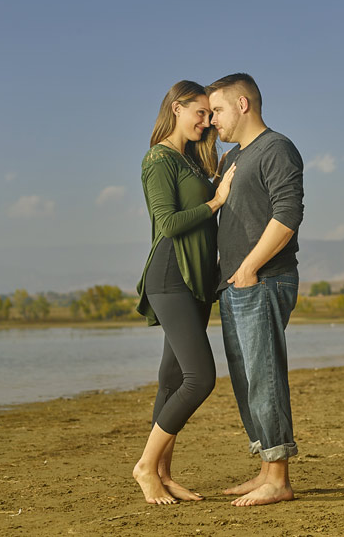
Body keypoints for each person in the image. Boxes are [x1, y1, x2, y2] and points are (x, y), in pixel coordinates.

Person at [132, 80, 237, 505]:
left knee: (172, 378)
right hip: (170, 276)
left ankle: (163, 474)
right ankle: (144, 466)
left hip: (195, 281)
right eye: (200, 112)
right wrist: (217, 200)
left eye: (211, 115)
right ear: (176, 109)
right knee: (200, 378)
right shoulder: (158, 159)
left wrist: (217, 178)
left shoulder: (191, 162)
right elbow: (169, 223)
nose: (207, 121)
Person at [206, 73, 304, 507]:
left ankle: (279, 478)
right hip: (235, 284)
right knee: (247, 379)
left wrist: (248, 267)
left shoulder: (276, 148)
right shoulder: (230, 159)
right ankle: (266, 468)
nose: (212, 121)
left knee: (264, 377)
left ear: (243, 104)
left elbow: (287, 215)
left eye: (218, 110)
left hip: (263, 279)